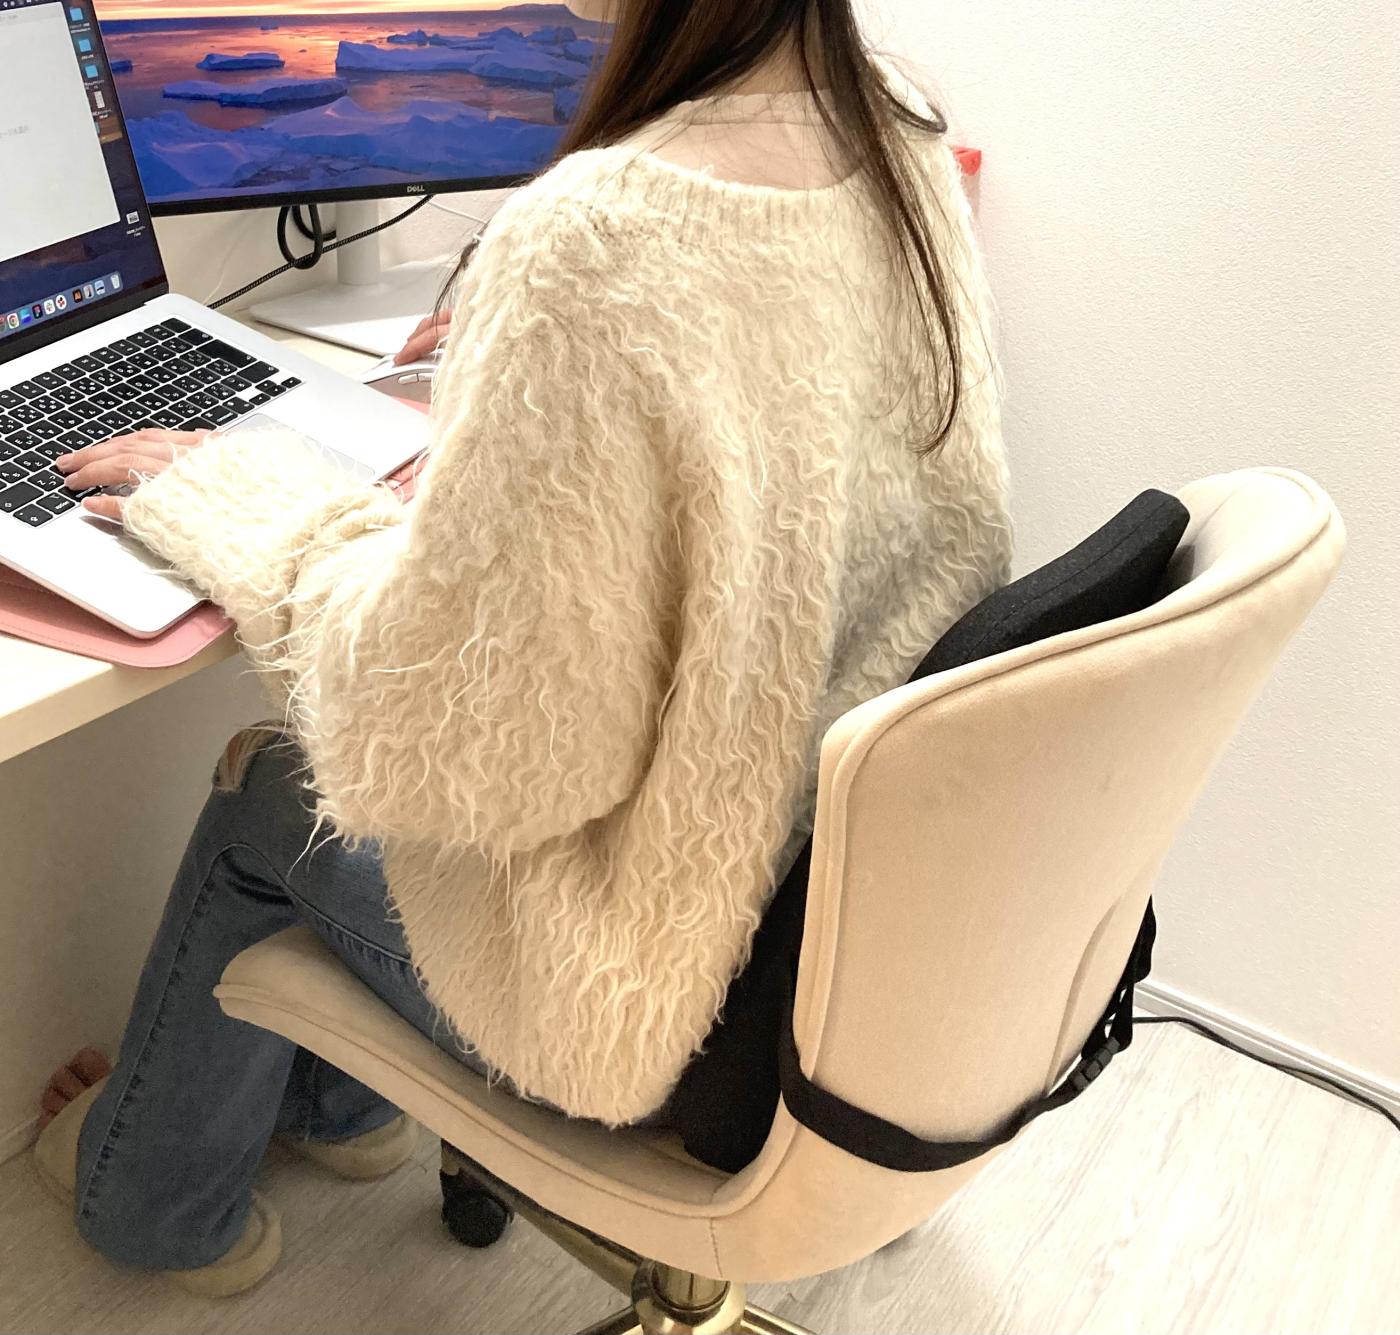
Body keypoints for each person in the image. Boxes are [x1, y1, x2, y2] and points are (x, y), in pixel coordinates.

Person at [34, 0, 1012, 1296]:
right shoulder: (895, 129)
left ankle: (154, 1206)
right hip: (840, 925)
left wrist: (228, 497)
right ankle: (340, 1113)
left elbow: (458, 755)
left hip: (658, 988)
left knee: (265, 790)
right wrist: (517, 399)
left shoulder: (596, 239)